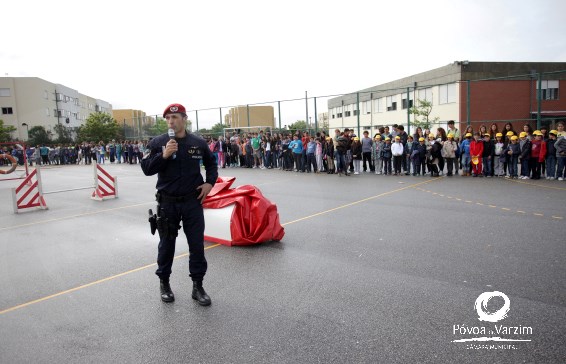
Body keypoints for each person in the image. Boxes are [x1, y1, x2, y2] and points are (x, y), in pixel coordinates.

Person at [141, 103, 218, 306]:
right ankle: (164, 283)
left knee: (196, 246)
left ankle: (197, 286)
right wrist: (163, 155)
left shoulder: (198, 142)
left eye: (174, 117)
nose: (170, 121)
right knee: (166, 245)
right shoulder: (158, 143)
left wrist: (210, 183)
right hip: (168, 203)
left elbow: (212, 163)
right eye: (167, 118)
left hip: (192, 202)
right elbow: (147, 168)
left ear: (184, 119)